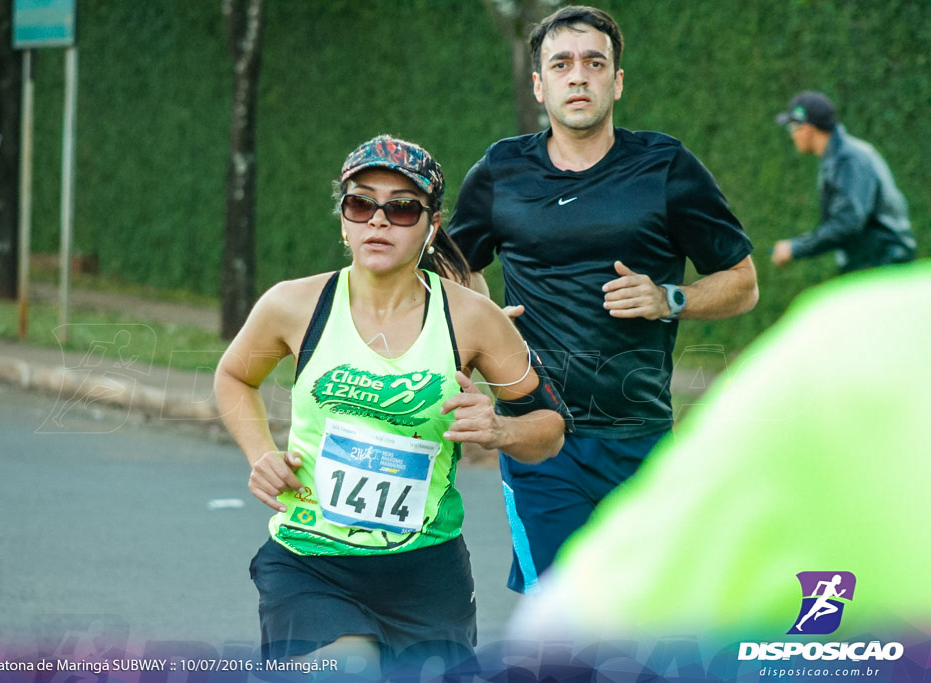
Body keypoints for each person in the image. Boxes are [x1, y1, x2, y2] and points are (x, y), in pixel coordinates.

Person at [213, 134, 569, 680]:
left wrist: (498, 429)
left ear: (431, 225)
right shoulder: (293, 304)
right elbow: (235, 375)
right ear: (343, 221)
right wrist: (260, 453)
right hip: (312, 560)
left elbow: (550, 429)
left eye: (402, 208)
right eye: (360, 204)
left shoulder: (472, 318)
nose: (378, 221)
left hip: (427, 570)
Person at [446, 5, 758, 595]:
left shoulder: (665, 167)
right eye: (560, 64)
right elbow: (449, 268)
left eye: (595, 62)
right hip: (538, 434)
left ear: (616, 81)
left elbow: (742, 282)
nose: (578, 75)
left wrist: (670, 297)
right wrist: (483, 321)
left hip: (638, 434)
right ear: (539, 85)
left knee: (645, 612)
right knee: (560, 616)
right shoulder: (500, 171)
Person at [508, 261, 931, 674]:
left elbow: (561, 630)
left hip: (638, 443)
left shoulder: (854, 339)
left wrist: (668, 298)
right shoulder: (856, 341)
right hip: (560, 453)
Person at [771, 90, 917, 273]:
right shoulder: (841, 157)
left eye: (792, 127)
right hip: (876, 264)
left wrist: (796, 247)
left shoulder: (848, 160)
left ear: (807, 130)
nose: (792, 135)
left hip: (883, 268)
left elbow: (847, 223)